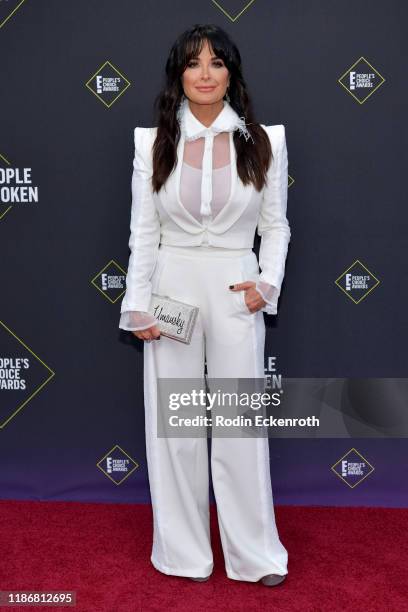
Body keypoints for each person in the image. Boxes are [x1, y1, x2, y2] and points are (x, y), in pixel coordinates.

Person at [119, 24, 291, 586]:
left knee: (240, 424)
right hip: (173, 286)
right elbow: (144, 232)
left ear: (231, 74)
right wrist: (137, 303)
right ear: (179, 75)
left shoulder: (267, 140)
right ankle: (183, 554)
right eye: (194, 63)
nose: (205, 73)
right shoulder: (152, 142)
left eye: (217, 63)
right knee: (176, 427)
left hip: (236, 288)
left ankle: (254, 555)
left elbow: (276, 224)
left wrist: (266, 283)